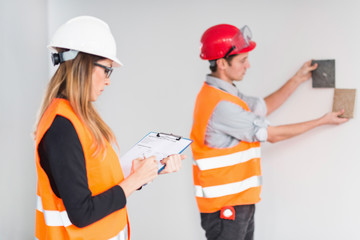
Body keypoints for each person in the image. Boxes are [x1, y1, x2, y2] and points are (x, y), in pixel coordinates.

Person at [190, 24, 348, 240]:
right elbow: (272, 135)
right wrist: (322, 120)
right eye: (242, 60)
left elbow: (264, 107)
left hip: (237, 204)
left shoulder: (224, 95)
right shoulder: (222, 106)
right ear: (221, 64)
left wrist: (297, 79)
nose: (248, 65)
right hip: (226, 208)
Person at [34, 16, 185, 240]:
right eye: (106, 70)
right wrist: (134, 181)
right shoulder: (61, 128)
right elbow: (82, 213)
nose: (108, 80)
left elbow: (94, 180)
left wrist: (141, 171)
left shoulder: (79, 117)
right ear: (83, 65)